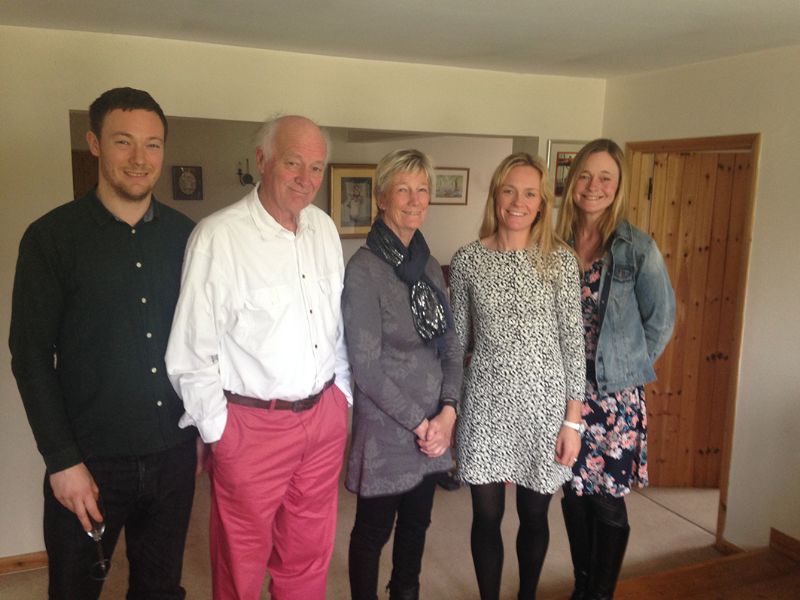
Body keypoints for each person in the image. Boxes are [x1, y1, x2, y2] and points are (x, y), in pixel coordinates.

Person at [9, 87, 198, 599]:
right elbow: (29, 357)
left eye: (153, 145)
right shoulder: (51, 239)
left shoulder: (189, 238)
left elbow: (208, 341)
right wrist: (62, 461)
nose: (140, 159)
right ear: (94, 143)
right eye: (124, 142)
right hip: (89, 461)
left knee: (161, 588)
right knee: (74, 589)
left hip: (174, 453)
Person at [165, 115, 352, 600]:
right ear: (263, 160)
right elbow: (191, 350)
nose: (306, 179)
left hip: (323, 418)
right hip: (252, 427)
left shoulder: (324, 230)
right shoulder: (219, 237)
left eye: (316, 167)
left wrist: (342, 399)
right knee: (240, 563)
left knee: (309, 559)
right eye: (293, 163)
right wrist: (219, 432)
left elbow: (334, 328)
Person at [449, 152, 586, 600]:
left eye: (530, 193)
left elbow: (572, 346)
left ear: (542, 203)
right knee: (485, 517)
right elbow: (455, 344)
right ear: (495, 195)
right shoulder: (468, 260)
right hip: (485, 406)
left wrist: (573, 421)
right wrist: (449, 407)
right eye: (509, 190)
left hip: (543, 410)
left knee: (533, 515)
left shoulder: (559, 261)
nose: (518, 201)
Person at [555, 139, 675, 600]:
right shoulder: (556, 241)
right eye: (585, 175)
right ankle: (582, 585)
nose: (594, 186)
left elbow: (660, 321)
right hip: (566, 393)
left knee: (606, 497)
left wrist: (624, 368)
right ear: (572, 181)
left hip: (614, 397)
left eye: (605, 177)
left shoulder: (636, 248)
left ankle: (600, 594)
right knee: (573, 491)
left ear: (619, 184)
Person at [342, 149, 462, 600]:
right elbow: (366, 367)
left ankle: (405, 592)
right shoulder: (364, 270)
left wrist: (448, 413)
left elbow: (450, 345)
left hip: (435, 425)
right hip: (390, 430)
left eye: (423, 190)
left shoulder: (429, 265)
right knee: (373, 531)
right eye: (403, 190)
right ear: (381, 198)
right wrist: (422, 423)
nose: (415, 200)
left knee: (418, 522)